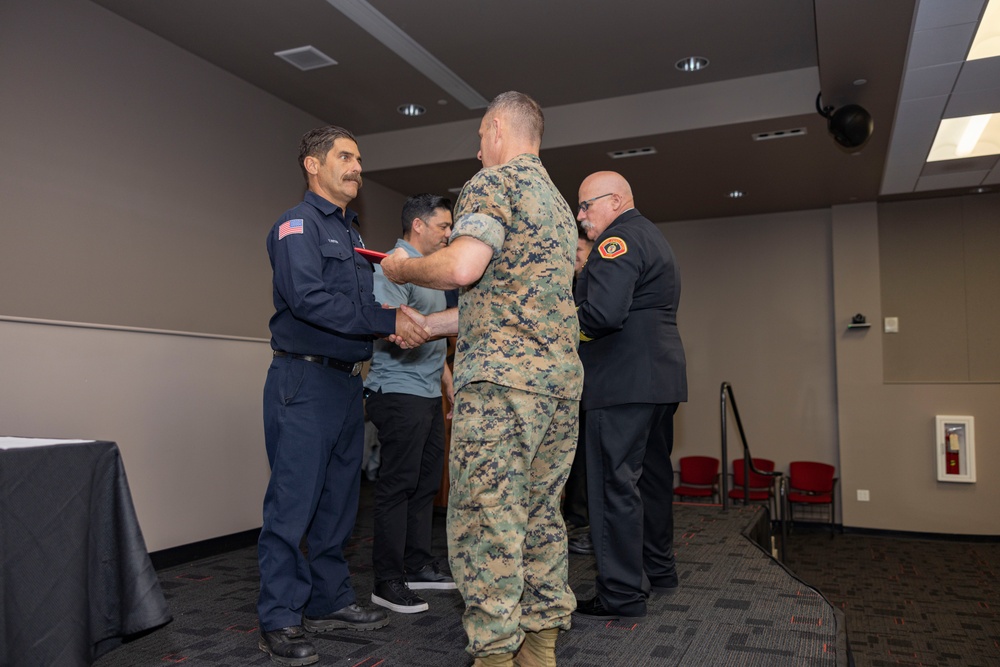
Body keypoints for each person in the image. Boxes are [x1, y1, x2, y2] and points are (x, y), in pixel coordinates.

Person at [381, 91, 583, 667]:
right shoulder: (557, 204)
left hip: (499, 390)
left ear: (496, 128)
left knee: (486, 522)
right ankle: (539, 653)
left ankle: (495, 656)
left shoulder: (494, 182)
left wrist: (402, 267)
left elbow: (462, 266)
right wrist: (427, 327)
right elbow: (502, 302)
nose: (476, 151)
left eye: (478, 137)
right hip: (556, 389)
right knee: (542, 518)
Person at [257, 125, 430, 666]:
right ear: (313, 165)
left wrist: (384, 324)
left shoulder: (354, 235)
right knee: (292, 507)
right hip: (303, 382)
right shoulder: (296, 226)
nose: (357, 167)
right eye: (345, 157)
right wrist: (387, 321)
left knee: (339, 503)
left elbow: (353, 308)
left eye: (359, 158)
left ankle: (329, 600)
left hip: (345, 382)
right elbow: (308, 300)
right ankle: (280, 617)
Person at [570, 171, 687, 622]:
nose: (581, 217)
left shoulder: (615, 241)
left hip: (621, 383)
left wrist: (557, 329)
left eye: (586, 206)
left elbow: (601, 315)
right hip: (659, 381)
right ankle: (659, 570)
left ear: (616, 200)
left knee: (613, 485)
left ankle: (620, 593)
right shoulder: (651, 235)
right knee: (651, 480)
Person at [365, 194, 457, 615]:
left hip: (426, 392)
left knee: (424, 484)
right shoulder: (393, 265)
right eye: (442, 226)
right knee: (397, 486)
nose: (449, 234)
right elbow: (392, 327)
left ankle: (417, 563)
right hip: (396, 391)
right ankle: (387, 580)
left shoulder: (430, 274)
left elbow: (432, 338)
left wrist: (448, 381)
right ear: (417, 226)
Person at [564, 235, 593, 555]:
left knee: (585, 461)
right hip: (567, 390)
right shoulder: (563, 287)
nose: (572, 256)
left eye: (579, 251)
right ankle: (573, 521)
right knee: (571, 462)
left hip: (591, 387)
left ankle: (583, 525)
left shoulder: (593, 286)